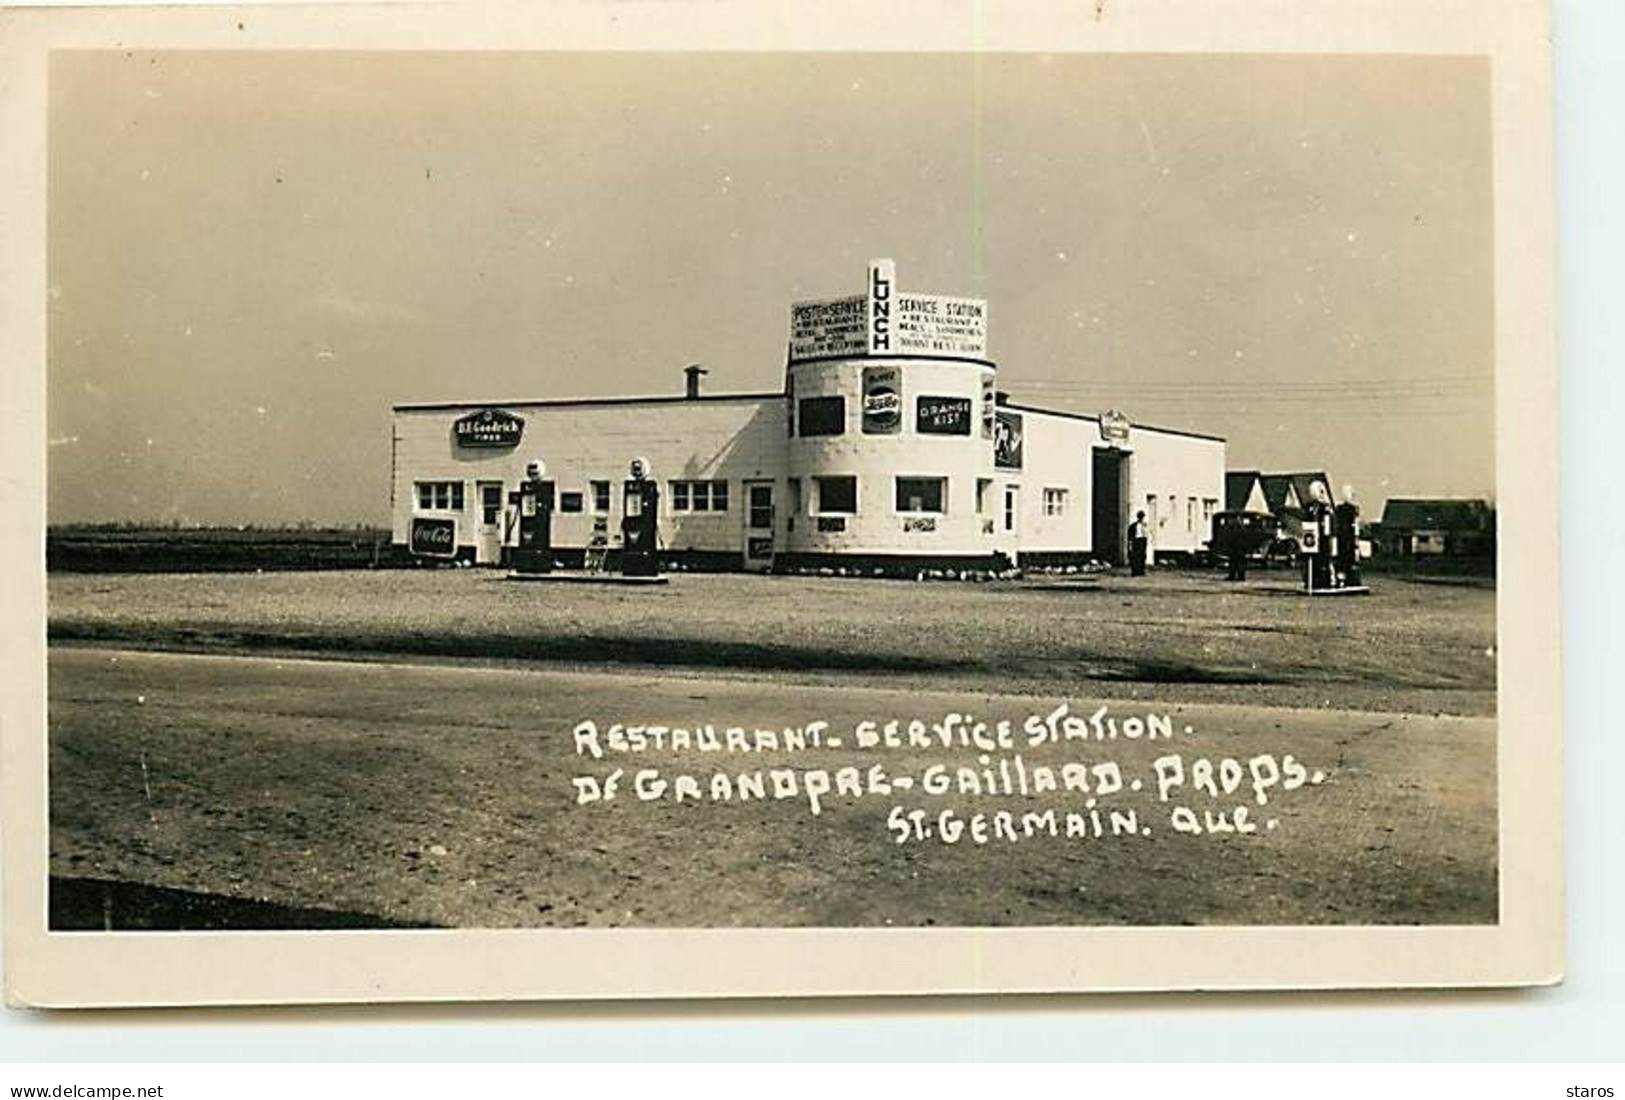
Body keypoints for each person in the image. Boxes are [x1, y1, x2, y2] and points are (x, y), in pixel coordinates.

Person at [1127, 510, 1150, 576]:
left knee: (1142, 556)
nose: (1142, 518)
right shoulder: (1134, 525)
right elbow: (1130, 534)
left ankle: (1141, 571)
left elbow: (1146, 533)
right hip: (1136, 540)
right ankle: (1135, 571)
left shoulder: (1144, 525)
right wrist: (1130, 542)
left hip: (1142, 540)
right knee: (1136, 556)